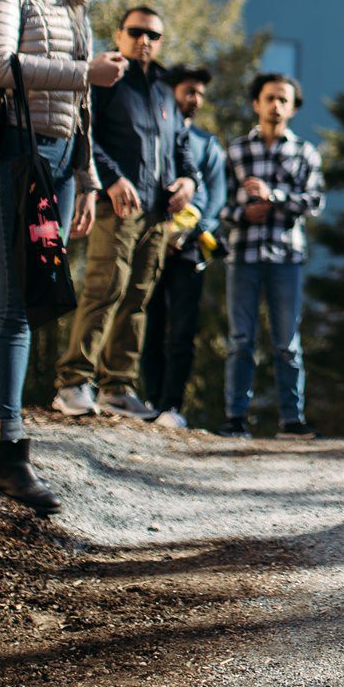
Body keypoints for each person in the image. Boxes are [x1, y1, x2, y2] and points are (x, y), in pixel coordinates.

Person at [0, 0, 122, 515]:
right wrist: (87, 72)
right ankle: (7, 453)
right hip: (11, 154)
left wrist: (87, 178)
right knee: (16, 305)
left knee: (32, 300)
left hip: (59, 159)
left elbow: (81, 103)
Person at [53, 7, 198, 420]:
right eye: (135, 32)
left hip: (158, 213)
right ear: (119, 35)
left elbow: (181, 146)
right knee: (105, 288)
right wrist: (113, 179)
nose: (144, 41)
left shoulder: (164, 90)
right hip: (117, 207)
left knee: (138, 297)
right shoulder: (106, 78)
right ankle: (73, 382)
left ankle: (117, 387)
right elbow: (85, 133)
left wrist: (188, 181)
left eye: (153, 35)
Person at [220, 72, 325, 438]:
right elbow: (219, 205)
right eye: (269, 98)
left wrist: (274, 197)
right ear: (256, 104)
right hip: (243, 255)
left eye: (284, 100)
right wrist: (242, 214)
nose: (276, 105)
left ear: (293, 108)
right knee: (240, 340)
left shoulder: (305, 152)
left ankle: (291, 419)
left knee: (287, 343)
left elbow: (315, 202)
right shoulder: (236, 151)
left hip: (286, 257)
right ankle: (235, 417)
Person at [139, 65, 227, 430]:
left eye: (201, 94)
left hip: (190, 251)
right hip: (150, 241)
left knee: (182, 330)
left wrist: (191, 233)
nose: (195, 99)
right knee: (148, 323)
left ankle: (172, 405)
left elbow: (217, 198)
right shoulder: (153, 135)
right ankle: (149, 399)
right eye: (189, 91)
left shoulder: (208, 144)